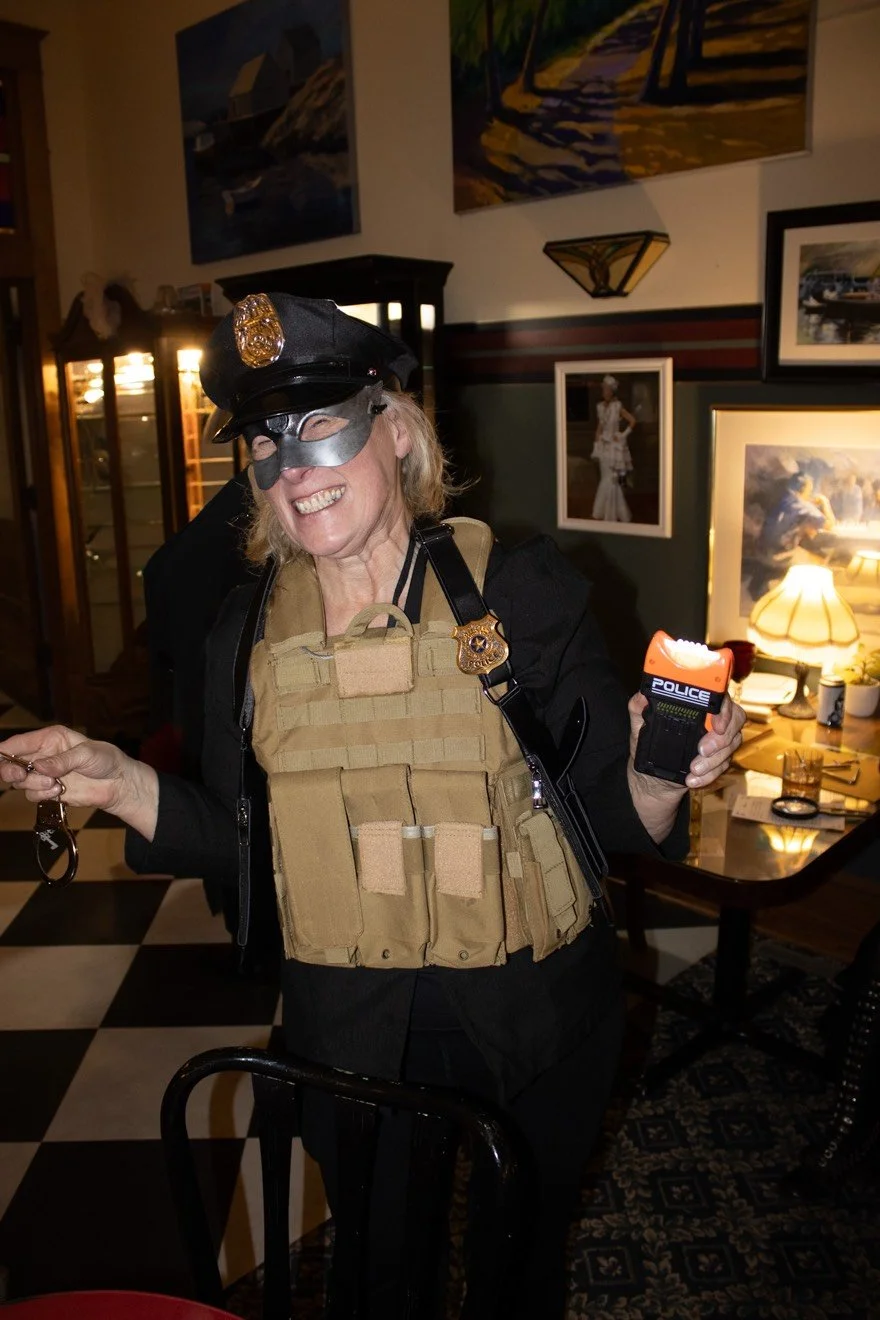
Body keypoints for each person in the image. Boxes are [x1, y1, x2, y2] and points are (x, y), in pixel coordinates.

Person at [0, 294, 745, 1318]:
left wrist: (669, 769)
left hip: (534, 1022)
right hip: (347, 1035)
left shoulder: (516, 590)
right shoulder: (243, 631)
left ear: (395, 431)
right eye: (265, 444)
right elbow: (246, 844)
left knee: (513, 1271)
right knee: (377, 1278)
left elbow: (609, 827)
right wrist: (117, 780)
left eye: (319, 427)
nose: (292, 469)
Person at [748, 471, 835, 599]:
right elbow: (830, 524)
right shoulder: (803, 506)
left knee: (804, 549)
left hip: (762, 553)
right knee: (820, 563)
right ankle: (802, 597)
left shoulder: (782, 500)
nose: (810, 494)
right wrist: (825, 501)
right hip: (779, 556)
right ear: (803, 489)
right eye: (809, 490)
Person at [591, 374, 636, 523]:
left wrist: (623, 435)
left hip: (614, 448)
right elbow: (599, 428)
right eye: (603, 389)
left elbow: (632, 421)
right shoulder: (599, 407)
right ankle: (603, 512)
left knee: (612, 479)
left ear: (612, 391)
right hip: (604, 447)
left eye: (606, 389)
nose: (604, 392)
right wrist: (597, 445)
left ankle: (613, 513)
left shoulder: (618, 406)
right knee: (605, 478)